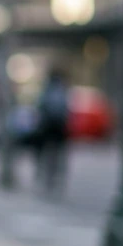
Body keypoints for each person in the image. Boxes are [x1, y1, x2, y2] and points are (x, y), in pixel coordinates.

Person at [36, 68, 70, 196]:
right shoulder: (62, 91)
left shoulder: (47, 91)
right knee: (56, 153)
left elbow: (41, 107)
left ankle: (49, 176)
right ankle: (54, 176)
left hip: (50, 126)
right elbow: (65, 110)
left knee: (49, 152)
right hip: (58, 127)